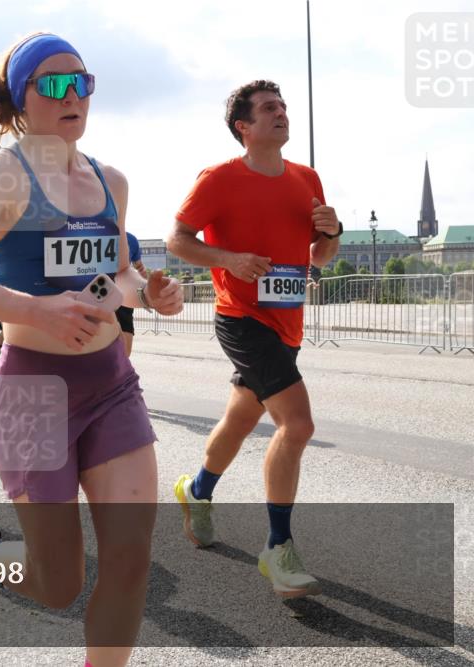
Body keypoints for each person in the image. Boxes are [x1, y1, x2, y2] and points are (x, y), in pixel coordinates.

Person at [0, 33, 183, 664]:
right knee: (57, 584)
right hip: (32, 395)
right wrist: (36, 310)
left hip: (111, 384)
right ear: (21, 99)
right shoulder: (5, 177)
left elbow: (119, 273)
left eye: (82, 82)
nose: (73, 96)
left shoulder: (110, 180)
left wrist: (149, 295)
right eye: (54, 84)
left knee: (129, 561)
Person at [166, 79, 341, 599]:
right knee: (298, 423)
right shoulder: (220, 178)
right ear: (244, 127)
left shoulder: (307, 178)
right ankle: (278, 548)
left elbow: (320, 260)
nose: (281, 113)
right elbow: (177, 239)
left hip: (288, 323)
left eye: (283, 107)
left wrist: (331, 234)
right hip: (241, 318)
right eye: (269, 108)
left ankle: (196, 491)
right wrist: (229, 260)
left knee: (242, 419)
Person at [116, 232, 148, 356]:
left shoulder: (130, 239)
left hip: (123, 294)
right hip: (98, 292)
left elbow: (139, 266)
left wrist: (145, 282)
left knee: (125, 353)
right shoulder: (90, 230)